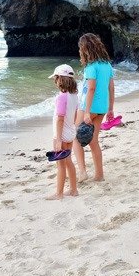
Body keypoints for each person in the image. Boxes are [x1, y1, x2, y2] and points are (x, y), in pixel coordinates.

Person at [74, 33, 115, 182]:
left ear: (85, 49)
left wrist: (86, 112)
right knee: (93, 141)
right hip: (102, 107)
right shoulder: (107, 65)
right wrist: (110, 108)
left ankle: (83, 172)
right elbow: (111, 87)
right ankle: (99, 175)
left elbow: (91, 88)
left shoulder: (91, 67)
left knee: (75, 138)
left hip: (89, 107)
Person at [47, 64, 80, 199]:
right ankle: (73, 190)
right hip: (70, 132)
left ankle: (59, 193)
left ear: (60, 79)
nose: (55, 81)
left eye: (56, 78)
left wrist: (58, 139)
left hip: (62, 134)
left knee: (60, 164)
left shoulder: (61, 97)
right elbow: (75, 115)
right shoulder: (74, 96)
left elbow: (60, 118)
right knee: (68, 161)